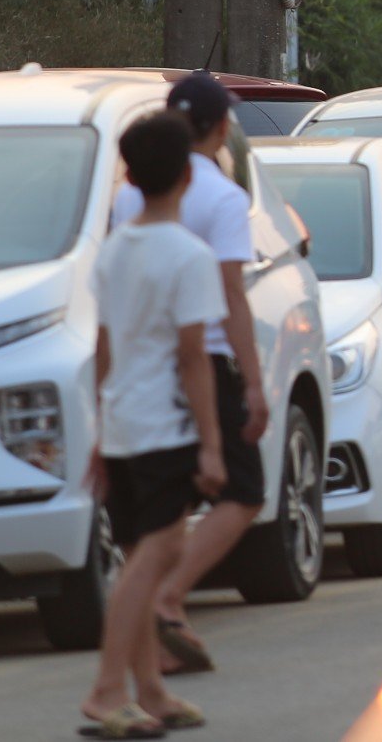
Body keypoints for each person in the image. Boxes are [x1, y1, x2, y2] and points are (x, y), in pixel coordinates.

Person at [110, 72, 266, 679]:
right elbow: (231, 293)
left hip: (139, 370)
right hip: (204, 361)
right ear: (221, 128)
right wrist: (253, 381)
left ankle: (147, 659)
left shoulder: (130, 197)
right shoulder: (224, 198)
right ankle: (166, 600)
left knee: (158, 516)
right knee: (244, 491)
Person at [81, 111, 225, 740]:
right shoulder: (191, 256)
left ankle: (151, 692)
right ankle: (106, 688)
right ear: (188, 174)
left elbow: (102, 346)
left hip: (121, 423)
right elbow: (194, 358)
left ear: (132, 178)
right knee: (156, 555)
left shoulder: (113, 250)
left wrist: (99, 430)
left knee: (141, 551)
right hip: (163, 426)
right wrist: (213, 444)